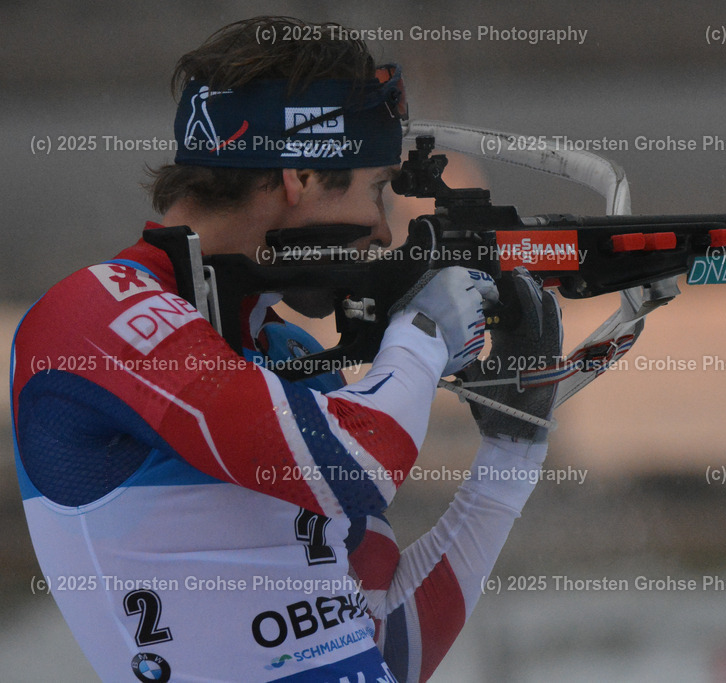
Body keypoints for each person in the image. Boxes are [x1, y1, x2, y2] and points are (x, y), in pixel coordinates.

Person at [10, 16, 560, 682]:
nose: (384, 230)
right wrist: (423, 329)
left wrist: (512, 450)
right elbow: (357, 464)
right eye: (375, 189)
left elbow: (385, 644)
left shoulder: (288, 351)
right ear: (301, 172)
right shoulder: (89, 316)